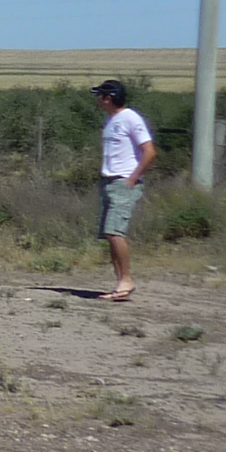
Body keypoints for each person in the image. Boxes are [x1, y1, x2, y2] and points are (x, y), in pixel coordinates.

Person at [90, 79, 157, 303]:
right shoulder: (111, 120)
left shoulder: (130, 118)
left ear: (108, 97)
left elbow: (149, 151)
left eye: (99, 95)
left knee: (115, 231)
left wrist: (133, 178)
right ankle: (120, 283)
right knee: (110, 234)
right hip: (108, 181)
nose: (97, 99)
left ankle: (126, 279)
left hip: (123, 182)